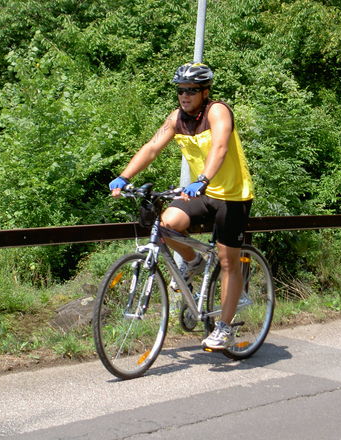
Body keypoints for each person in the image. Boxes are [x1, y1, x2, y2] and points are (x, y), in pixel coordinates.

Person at [109, 62, 254, 350]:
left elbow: (221, 147)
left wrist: (202, 179)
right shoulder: (177, 118)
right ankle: (193, 261)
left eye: (191, 90)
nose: (184, 96)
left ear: (205, 92)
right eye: (180, 91)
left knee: (228, 261)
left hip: (232, 195)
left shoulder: (217, 111)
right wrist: (124, 176)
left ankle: (224, 327)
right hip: (200, 193)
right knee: (164, 226)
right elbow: (152, 147)